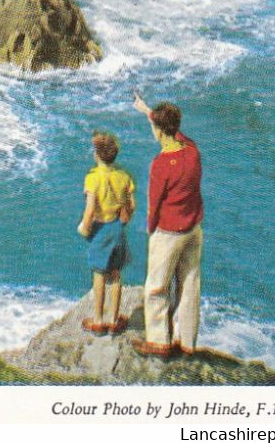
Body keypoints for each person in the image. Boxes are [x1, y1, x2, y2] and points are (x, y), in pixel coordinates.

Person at [132, 93, 204, 358]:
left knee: (157, 288)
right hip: (193, 230)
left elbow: (154, 205)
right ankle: (187, 343)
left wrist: (151, 230)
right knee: (189, 284)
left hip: (169, 233)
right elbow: (176, 132)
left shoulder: (161, 165)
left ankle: (160, 342)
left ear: (160, 130)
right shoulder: (192, 151)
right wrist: (147, 111)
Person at [78, 130, 135, 335]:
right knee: (116, 274)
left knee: (99, 275)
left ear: (97, 155)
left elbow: (91, 208)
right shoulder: (124, 176)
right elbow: (131, 206)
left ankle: (99, 319)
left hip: (100, 229)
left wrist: (85, 227)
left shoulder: (92, 178)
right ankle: (113, 319)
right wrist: (123, 220)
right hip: (117, 229)